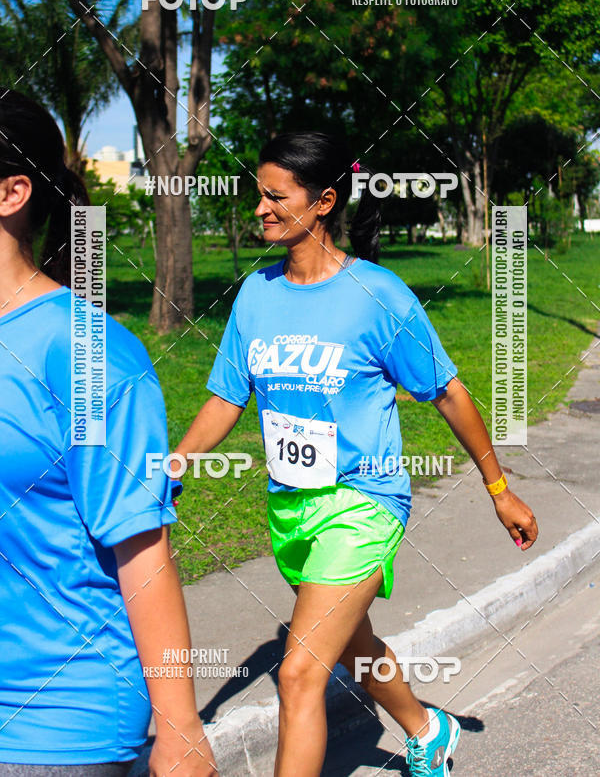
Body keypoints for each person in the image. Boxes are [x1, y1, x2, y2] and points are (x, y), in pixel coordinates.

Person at [176, 131, 538, 777]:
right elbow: (227, 399)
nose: (260, 208)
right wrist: (175, 463)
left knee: (299, 673)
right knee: (353, 645)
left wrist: (498, 489)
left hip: (364, 502)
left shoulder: (378, 295)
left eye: (276, 196)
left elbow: (447, 392)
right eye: (259, 194)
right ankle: (427, 728)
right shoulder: (256, 294)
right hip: (291, 506)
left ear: (323, 202)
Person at [0, 89, 217, 777]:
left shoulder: (85, 354)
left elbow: (142, 549)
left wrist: (180, 729)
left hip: (53, 722)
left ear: (10, 193)